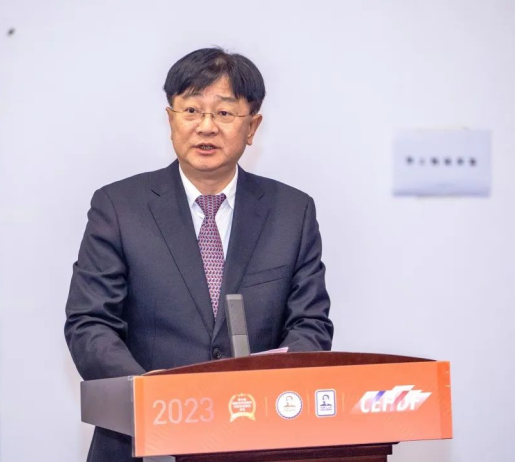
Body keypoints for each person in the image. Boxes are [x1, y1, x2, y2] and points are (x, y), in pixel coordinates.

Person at [64, 47, 334, 462]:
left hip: (258, 438)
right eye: (191, 110)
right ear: (171, 118)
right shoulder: (118, 207)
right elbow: (90, 323)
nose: (206, 126)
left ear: (252, 126)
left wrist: (265, 389)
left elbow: (310, 324)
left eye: (224, 113)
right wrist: (151, 395)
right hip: (142, 441)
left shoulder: (292, 212)